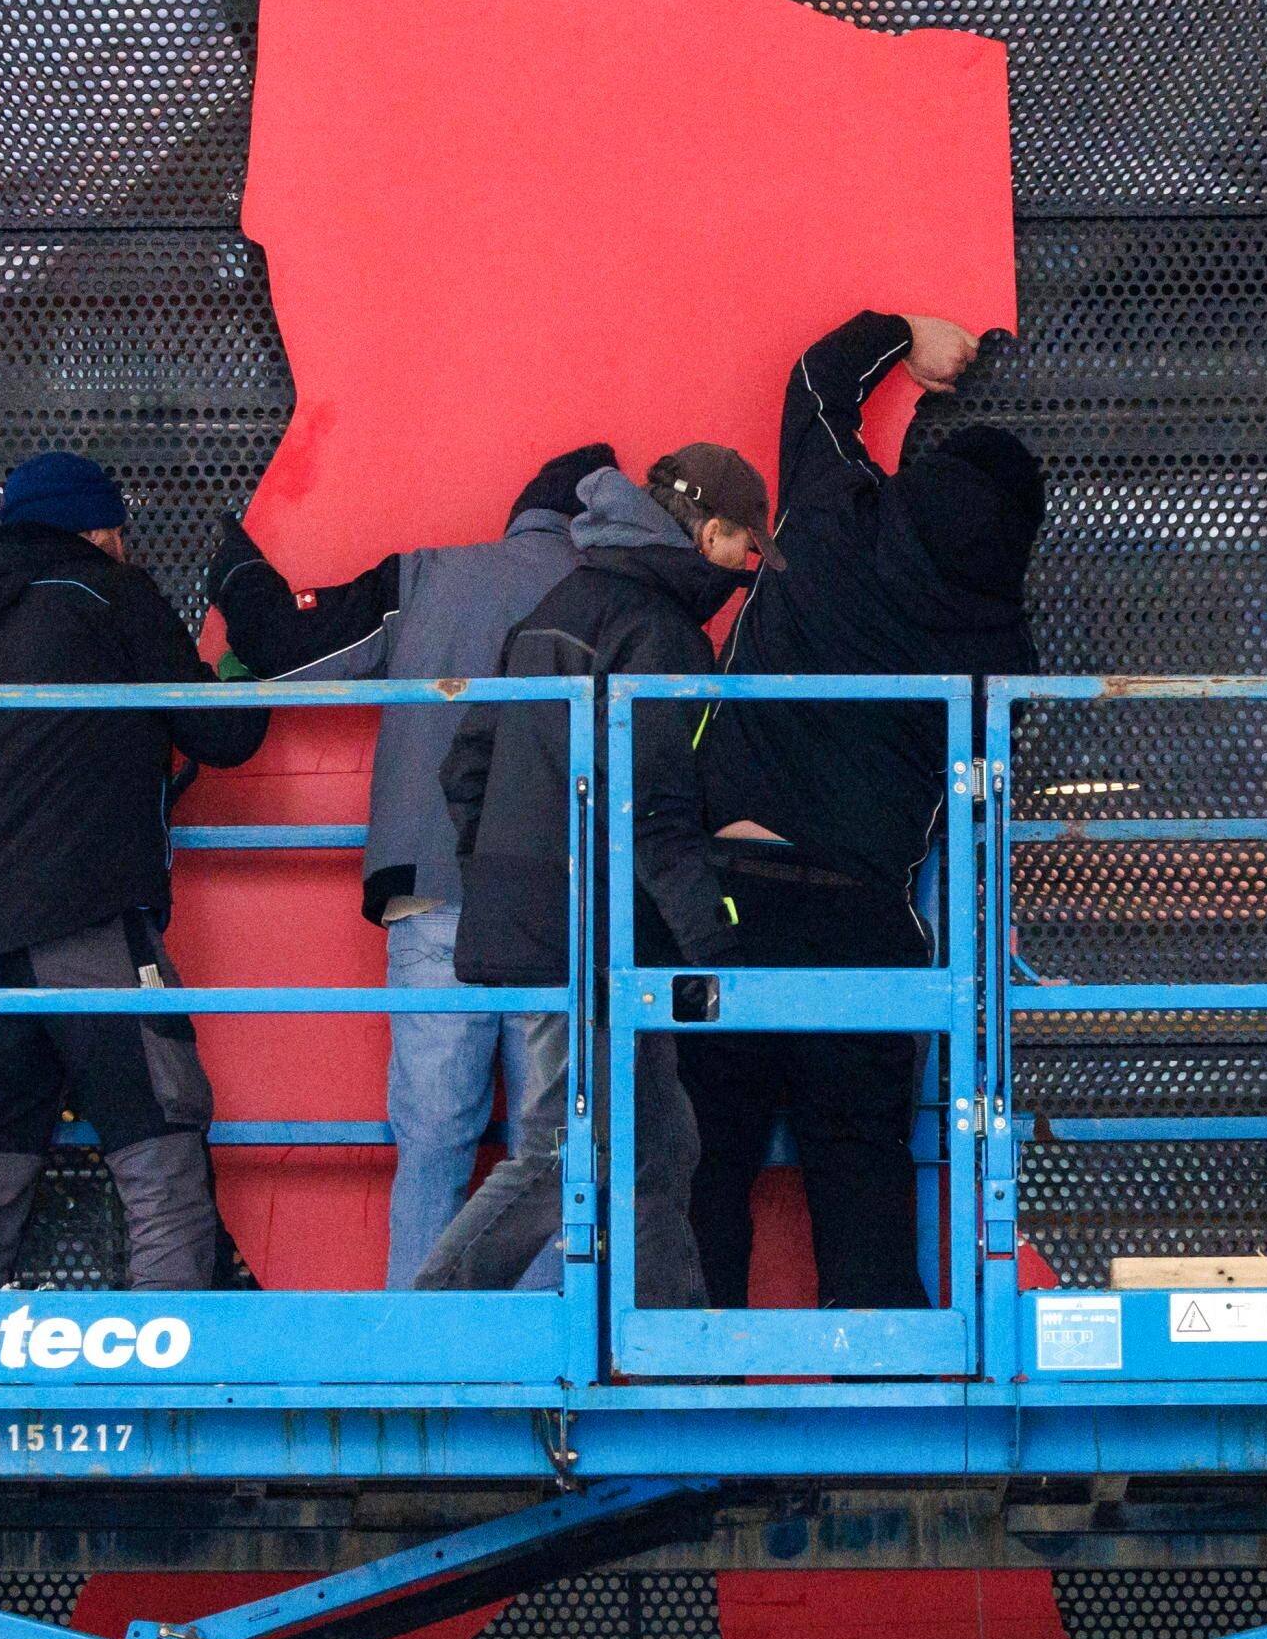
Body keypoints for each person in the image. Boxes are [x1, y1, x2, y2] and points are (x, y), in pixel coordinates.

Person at [687, 313, 1040, 1310]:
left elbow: (815, 380)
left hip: (720, 901)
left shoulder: (834, 510)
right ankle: (888, 1426)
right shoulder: (996, 653)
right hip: (858, 916)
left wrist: (905, 334)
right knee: (861, 1167)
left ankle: (689, 1414)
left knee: (706, 1161)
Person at [209, 446, 614, 1286]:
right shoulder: (615, 602)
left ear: (521, 515)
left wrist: (238, 569)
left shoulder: (430, 575)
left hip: (431, 892)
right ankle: (540, 1367)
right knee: (550, 1156)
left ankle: (418, 1347)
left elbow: (292, 651)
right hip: (560, 907)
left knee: (433, 1145)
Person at [411, 446, 771, 1306]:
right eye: (745, 550)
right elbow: (656, 808)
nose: (745, 571)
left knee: (652, 1143)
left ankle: (673, 1345)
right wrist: (717, 944)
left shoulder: (561, 604)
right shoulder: (661, 633)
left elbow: (469, 767)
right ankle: (436, 1307)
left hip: (549, 916)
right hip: (601, 928)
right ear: (711, 533)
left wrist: (510, 870)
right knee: (569, 1149)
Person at [0, 451, 267, 1291]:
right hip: (91, 919)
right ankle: (167, 1396)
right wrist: (243, 671)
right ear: (100, 529)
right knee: (161, 1162)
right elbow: (222, 734)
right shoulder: (112, 593)